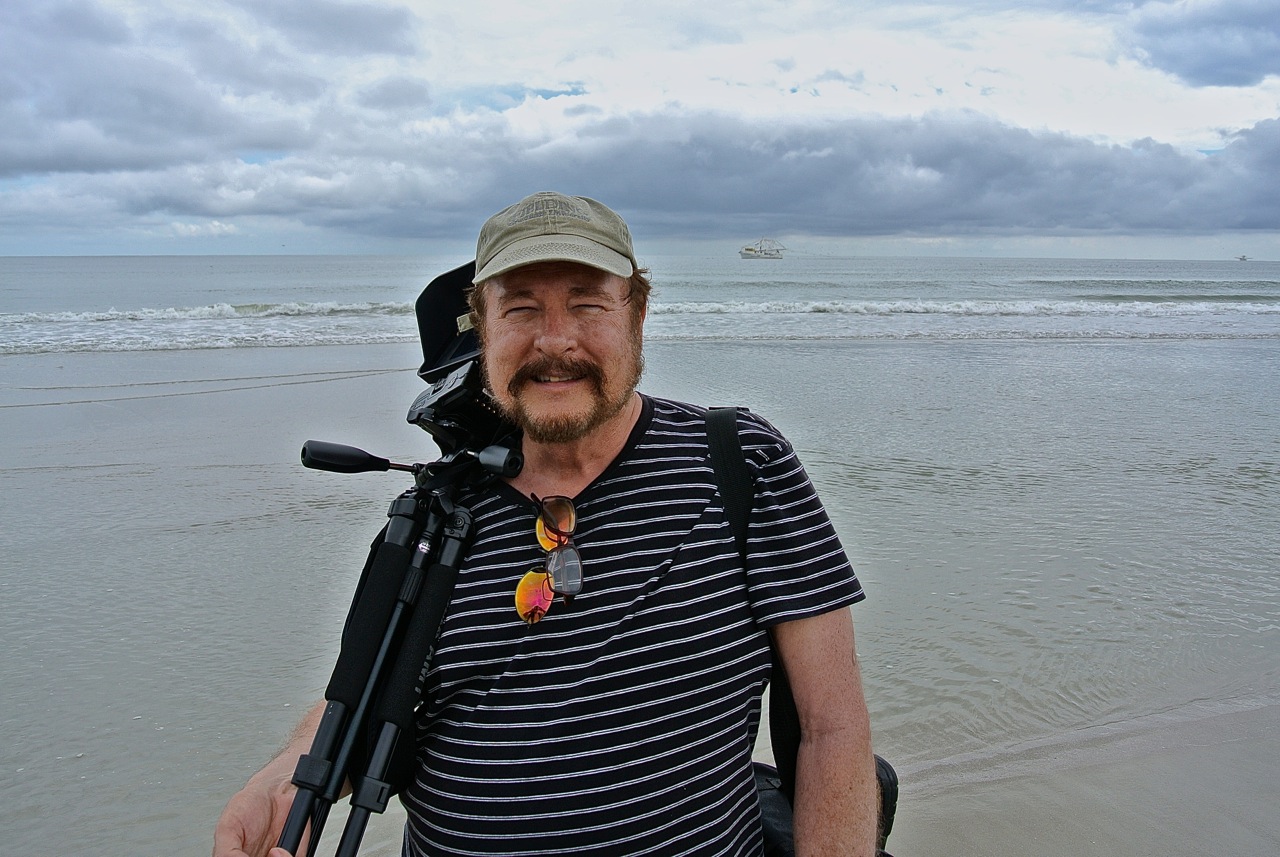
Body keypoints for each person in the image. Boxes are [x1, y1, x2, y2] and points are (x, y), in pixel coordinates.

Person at [214, 192, 880, 856]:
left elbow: (832, 727)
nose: (555, 341)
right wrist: (280, 784)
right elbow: (366, 694)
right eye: (521, 307)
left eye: (588, 302)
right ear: (483, 326)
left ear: (637, 315)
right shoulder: (437, 509)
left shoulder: (739, 462)